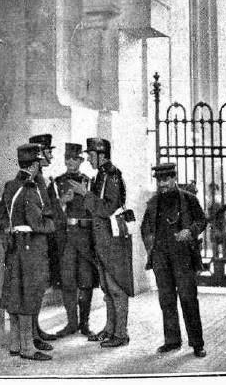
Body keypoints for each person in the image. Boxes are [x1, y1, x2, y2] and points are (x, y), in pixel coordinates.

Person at [69, 137, 134, 348]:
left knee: (116, 286)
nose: (88, 159)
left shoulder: (111, 176)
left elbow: (106, 209)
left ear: (102, 155)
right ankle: (110, 329)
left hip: (111, 240)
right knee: (107, 287)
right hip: (103, 239)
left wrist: (85, 194)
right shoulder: (103, 175)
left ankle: (121, 333)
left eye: (91, 155)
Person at [0, 143, 55, 361]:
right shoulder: (31, 189)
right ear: (36, 165)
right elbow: (38, 223)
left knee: (14, 293)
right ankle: (28, 348)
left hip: (14, 248)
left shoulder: (10, 186)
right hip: (31, 249)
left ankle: (15, 343)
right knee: (28, 295)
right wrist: (51, 224)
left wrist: (10, 228)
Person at [141, 163, 207, 358]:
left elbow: (202, 221)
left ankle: (197, 343)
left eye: (166, 179)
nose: (162, 184)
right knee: (167, 300)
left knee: (188, 299)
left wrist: (190, 231)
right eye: (159, 180)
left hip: (183, 257)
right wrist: (150, 247)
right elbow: (145, 228)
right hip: (161, 258)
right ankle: (172, 341)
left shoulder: (189, 199)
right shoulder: (153, 203)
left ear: (173, 178)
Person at [48, 143, 98, 338]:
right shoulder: (56, 182)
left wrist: (85, 195)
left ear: (81, 161)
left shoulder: (89, 182)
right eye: (67, 159)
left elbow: (96, 209)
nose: (70, 162)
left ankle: (84, 324)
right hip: (66, 238)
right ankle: (71, 323)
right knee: (68, 281)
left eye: (75, 159)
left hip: (85, 238)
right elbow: (49, 211)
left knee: (86, 281)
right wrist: (62, 201)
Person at [27, 133, 59, 345]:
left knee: (39, 288)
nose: (50, 157)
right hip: (36, 241)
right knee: (34, 289)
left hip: (44, 240)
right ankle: (33, 334)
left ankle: (36, 330)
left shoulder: (42, 179)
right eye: (48, 152)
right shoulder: (34, 182)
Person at [207, 183, 226, 259]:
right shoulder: (210, 199)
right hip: (215, 222)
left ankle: (224, 258)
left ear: (217, 190)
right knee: (216, 242)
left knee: (222, 241)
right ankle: (220, 259)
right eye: (211, 189)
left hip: (220, 221)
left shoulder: (218, 198)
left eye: (214, 189)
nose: (212, 191)